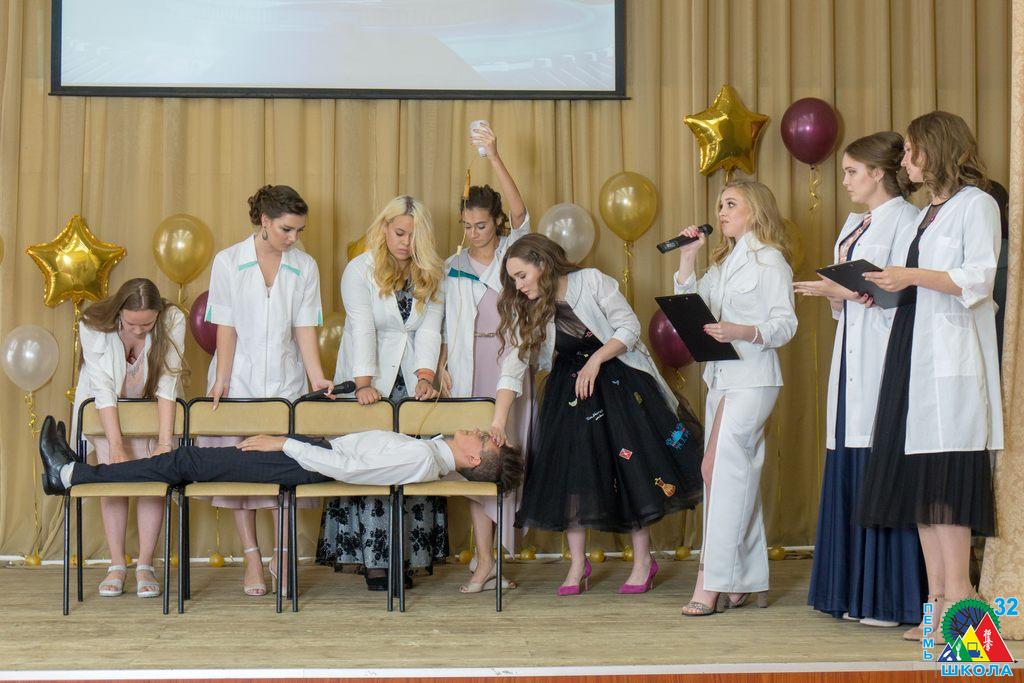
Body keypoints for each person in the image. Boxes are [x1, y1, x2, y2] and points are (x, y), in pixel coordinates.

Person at [858, 111, 1002, 644]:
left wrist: (911, 275)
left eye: (911, 149)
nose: (904, 160)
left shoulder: (977, 204)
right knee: (922, 487)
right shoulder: (926, 213)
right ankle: (936, 603)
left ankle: (962, 603)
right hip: (912, 352)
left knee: (948, 486)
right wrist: (882, 290)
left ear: (935, 149)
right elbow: (919, 284)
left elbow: (979, 277)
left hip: (949, 360)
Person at [491, 234, 703, 596]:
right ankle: (578, 563)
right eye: (513, 279)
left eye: (521, 275)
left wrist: (595, 360)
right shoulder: (527, 306)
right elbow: (513, 365)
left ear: (542, 264)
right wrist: (498, 420)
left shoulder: (591, 281)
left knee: (631, 468)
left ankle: (643, 561)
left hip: (616, 380)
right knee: (574, 473)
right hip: (570, 392)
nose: (518, 285)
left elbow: (629, 327)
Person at [794, 132, 926, 626]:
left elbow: (906, 296)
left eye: (852, 171)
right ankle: (852, 591)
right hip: (852, 352)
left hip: (885, 353)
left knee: (880, 459)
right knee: (849, 452)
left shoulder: (907, 221)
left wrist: (848, 293)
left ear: (877, 173)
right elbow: (851, 303)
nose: (845, 180)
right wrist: (836, 295)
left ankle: (889, 597)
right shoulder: (855, 223)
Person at [673, 179, 797, 616]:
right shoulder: (723, 263)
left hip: (754, 378)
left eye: (731, 204)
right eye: (720, 205)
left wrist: (740, 331)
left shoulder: (771, 261)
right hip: (722, 376)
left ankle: (711, 580)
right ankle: (744, 579)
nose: (721, 212)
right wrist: (688, 256)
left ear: (755, 210)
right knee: (720, 470)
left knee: (721, 469)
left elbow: (785, 324)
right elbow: (692, 306)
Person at [204, 184, 332, 597]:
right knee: (241, 475)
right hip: (237, 380)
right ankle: (253, 557)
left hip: (285, 383)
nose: (293, 238)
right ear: (264, 221)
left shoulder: (305, 266)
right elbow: (225, 325)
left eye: (298, 230)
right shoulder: (228, 261)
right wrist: (223, 378)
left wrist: (317, 378)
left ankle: (283, 555)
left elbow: (305, 328)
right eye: (286, 229)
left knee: (283, 473)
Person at [322, 195, 447, 591]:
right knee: (371, 465)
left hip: (411, 382)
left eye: (414, 235)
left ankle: (407, 560)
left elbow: (430, 329)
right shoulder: (359, 269)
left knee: (413, 465)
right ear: (384, 228)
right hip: (370, 379)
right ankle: (375, 564)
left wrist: (426, 377)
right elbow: (362, 327)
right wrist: (363, 383)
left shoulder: (433, 272)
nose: (406, 242)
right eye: (399, 233)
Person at [439, 122, 533, 594]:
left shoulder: (514, 256)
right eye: (467, 226)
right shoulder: (451, 267)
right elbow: (442, 324)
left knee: (507, 458)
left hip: (508, 367)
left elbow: (521, 212)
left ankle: (494, 558)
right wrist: (441, 364)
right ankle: (484, 560)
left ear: (495, 222)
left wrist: (493, 155)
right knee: (477, 462)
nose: (473, 233)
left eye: (481, 225)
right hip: (467, 367)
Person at [39, 416, 524, 499]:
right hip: (305, 455)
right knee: (185, 463)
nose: (482, 431)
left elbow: (348, 469)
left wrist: (284, 444)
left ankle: (70, 473)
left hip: (302, 462)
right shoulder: (428, 451)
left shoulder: (420, 457)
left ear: (472, 458)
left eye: (485, 439)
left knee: (184, 464)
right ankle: (72, 471)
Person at [71, 278, 186, 599]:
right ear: (119, 312)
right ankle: (117, 565)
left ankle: (146, 565)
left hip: (153, 412)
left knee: (153, 482)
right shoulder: (92, 324)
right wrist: (117, 446)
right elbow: (103, 388)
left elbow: (168, 383)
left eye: (147, 325)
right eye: (132, 324)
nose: (139, 330)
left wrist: (164, 443)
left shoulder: (173, 319)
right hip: (105, 413)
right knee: (114, 481)